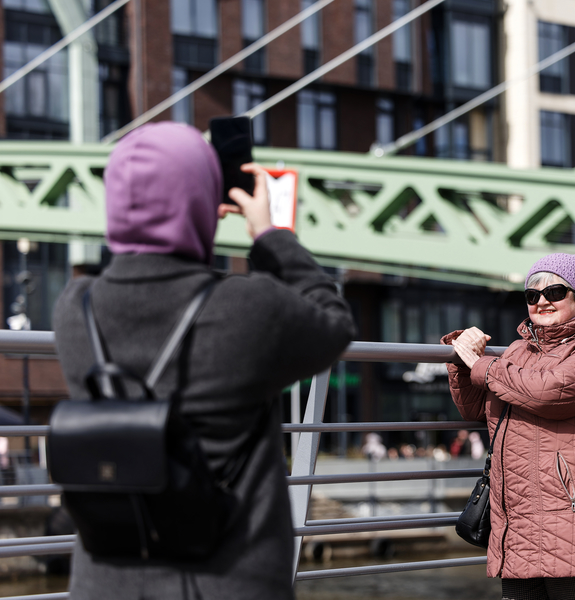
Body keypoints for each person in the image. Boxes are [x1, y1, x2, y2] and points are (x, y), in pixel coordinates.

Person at [52, 122, 355, 600]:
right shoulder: (245, 307)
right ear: (199, 204)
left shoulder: (74, 307)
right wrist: (271, 235)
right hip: (230, 578)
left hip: (106, 581)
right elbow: (334, 325)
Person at [443, 252, 575, 600]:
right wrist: (461, 362)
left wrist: (481, 365)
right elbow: (475, 408)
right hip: (519, 515)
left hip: (574, 514)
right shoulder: (517, 351)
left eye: (555, 292)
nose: (542, 301)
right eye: (532, 295)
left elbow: (547, 393)